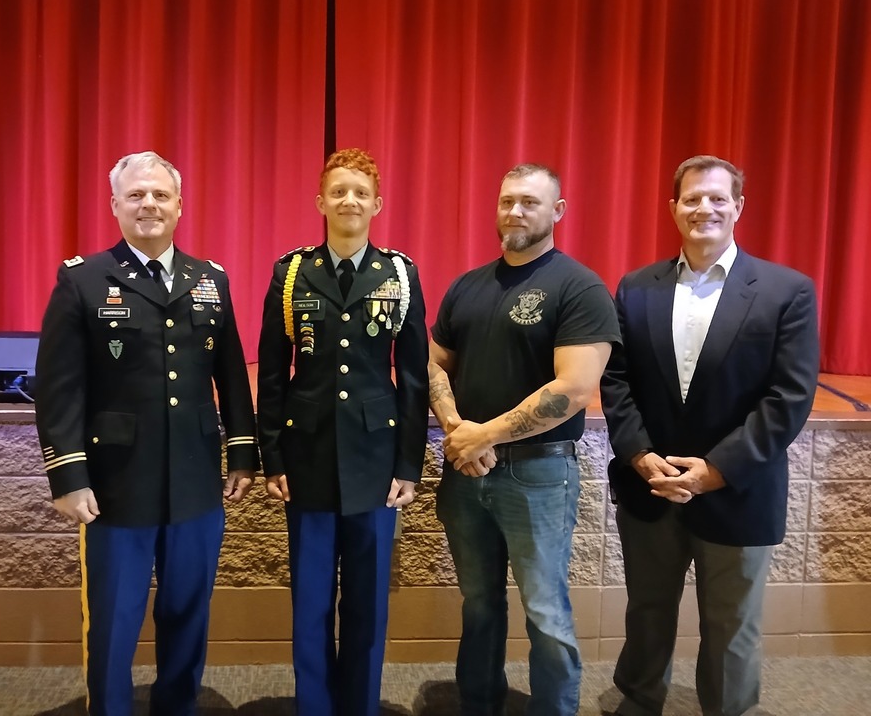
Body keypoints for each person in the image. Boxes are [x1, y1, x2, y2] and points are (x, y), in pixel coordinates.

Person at [35, 150, 259, 715]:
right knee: (113, 619)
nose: (149, 204)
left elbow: (231, 372)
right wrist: (68, 475)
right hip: (115, 487)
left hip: (194, 480)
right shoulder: (83, 280)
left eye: (160, 194)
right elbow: (60, 388)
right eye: (136, 195)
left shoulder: (210, 280)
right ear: (115, 206)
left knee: (188, 612)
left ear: (179, 206)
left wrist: (241, 453)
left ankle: (176, 706)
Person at [600, 155, 820, 716]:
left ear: (738, 207)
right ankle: (639, 701)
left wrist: (715, 471)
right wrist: (641, 456)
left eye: (718, 198)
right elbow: (617, 381)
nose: (705, 208)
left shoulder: (785, 290)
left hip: (737, 489)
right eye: (692, 198)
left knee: (731, 625)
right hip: (650, 487)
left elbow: (788, 397)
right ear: (673, 208)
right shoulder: (635, 286)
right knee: (647, 610)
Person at [429, 163, 620, 716]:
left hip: (538, 475)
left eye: (530, 202)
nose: (515, 211)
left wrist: (480, 435)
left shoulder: (578, 287)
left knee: (545, 610)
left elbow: (576, 388)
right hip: (466, 475)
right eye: (507, 200)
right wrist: (457, 433)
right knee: (480, 604)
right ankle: (479, 704)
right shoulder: (467, 285)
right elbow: (433, 365)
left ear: (557, 211)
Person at [256, 148, 429, 716]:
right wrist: (271, 457)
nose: (349, 200)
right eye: (338, 191)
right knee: (309, 602)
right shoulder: (291, 274)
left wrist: (409, 465)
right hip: (306, 457)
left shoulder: (400, 273)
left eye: (360, 191)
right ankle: (314, 707)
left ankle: (359, 706)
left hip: (376, 459)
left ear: (377, 204)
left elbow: (412, 377)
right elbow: (273, 372)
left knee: (367, 602)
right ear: (320, 202)